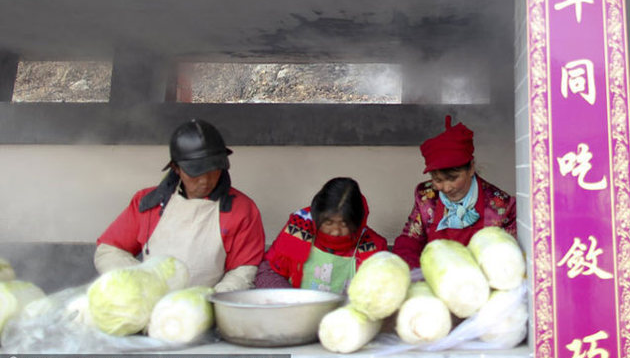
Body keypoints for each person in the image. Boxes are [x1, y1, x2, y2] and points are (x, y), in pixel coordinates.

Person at [95, 119, 265, 292]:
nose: (205, 181)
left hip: (209, 306)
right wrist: (140, 281)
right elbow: (110, 250)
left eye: (213, 170)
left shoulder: (242, 209)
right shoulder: (147, 202)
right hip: (150, 304)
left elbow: (243, 269)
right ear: (176, 168)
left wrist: (213, 300)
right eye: (195, 173)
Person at [393, 115, 516, 269]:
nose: (446, 188)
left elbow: (508, 255)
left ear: (471, 168)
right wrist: (411, 271)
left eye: (452, 178)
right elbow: (410, 240)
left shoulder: (502, 206)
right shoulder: (426, 197)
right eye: (437, 180)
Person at [255, 177, 387, 293]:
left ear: (357, 222)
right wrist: (289, 299)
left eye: (344, 224)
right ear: (317, 216)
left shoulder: (372, 247)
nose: (335, 231)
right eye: (328, 223)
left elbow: (379, 292)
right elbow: (269, 272)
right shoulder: (299, 230)